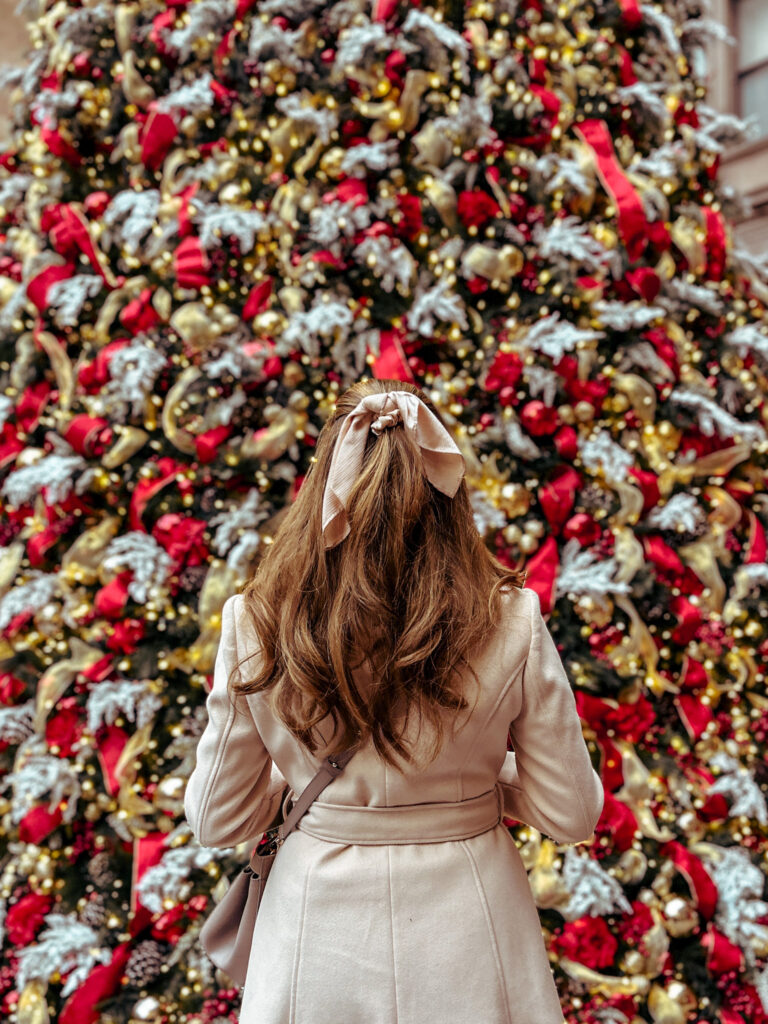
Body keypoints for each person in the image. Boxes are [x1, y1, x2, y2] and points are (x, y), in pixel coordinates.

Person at [184, 379, 605, 1024]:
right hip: (473, 915)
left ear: (323, 482)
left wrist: (304, 784)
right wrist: (471, 780)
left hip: (315, 924)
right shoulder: (513, 619)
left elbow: (217, 816)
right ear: (447, 495)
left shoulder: (258, 621)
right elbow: (572, 811)